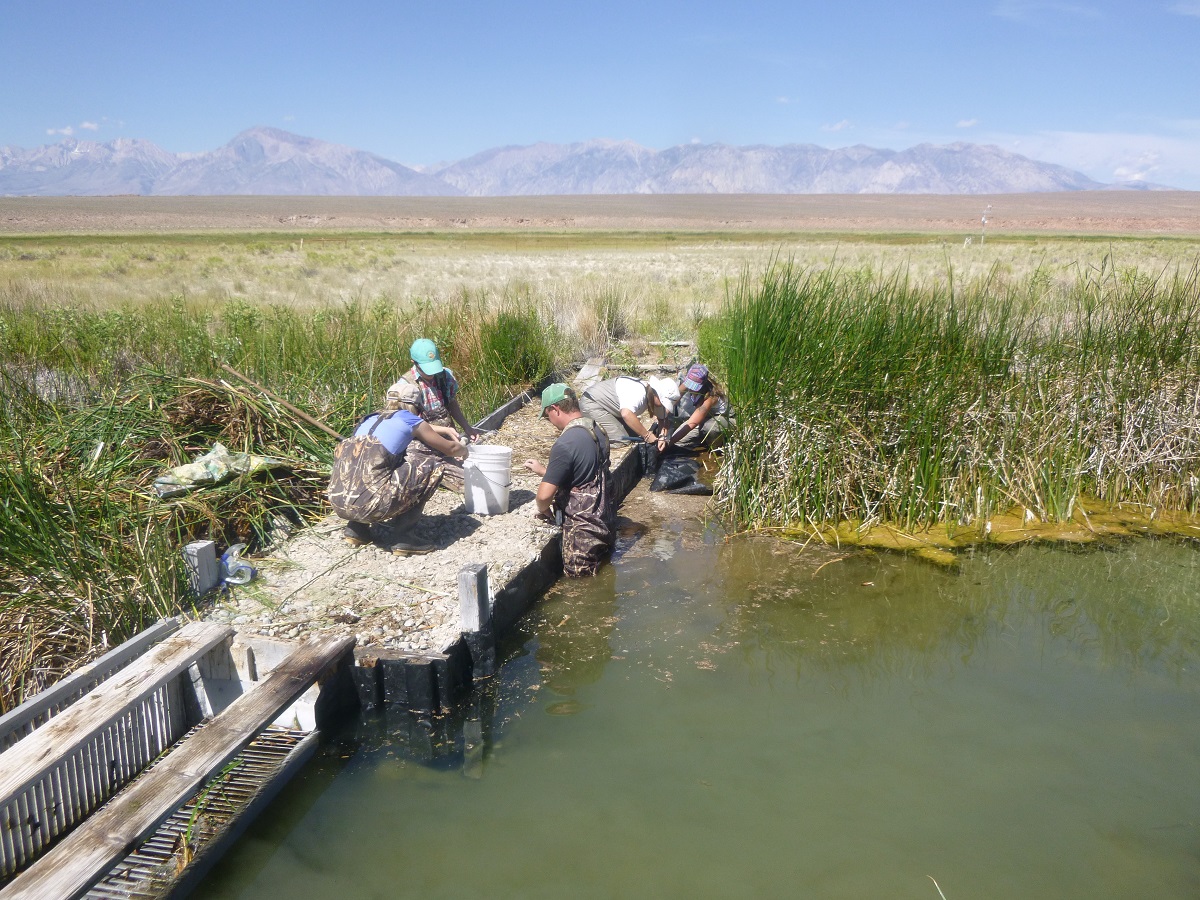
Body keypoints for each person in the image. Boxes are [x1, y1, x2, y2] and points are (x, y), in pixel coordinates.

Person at [328, 380, 468, 554]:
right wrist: (464, 450)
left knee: (363, 470)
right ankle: (404, 536)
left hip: (338, 501)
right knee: (431, 465)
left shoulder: (367, 420)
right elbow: (450, 448)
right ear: (416, 406)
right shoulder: (410, 419)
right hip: (372, 505)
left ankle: (357, 529)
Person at [523, 383, 616, 577]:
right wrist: (544, 471)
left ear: (555, 409)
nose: (550, 421)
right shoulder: (598, 430)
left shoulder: (565, 444)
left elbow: (543, 495)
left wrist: (543, 509)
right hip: (605, 525)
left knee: (582, 589)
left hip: (582, 537)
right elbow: (584, 471)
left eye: (547, 416)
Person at [400, 337, 481, 491]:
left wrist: (467, 427)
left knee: (469, 480)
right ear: (413, 362)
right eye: (426, 369)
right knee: (426, 477)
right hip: (422, 442)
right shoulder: (406, 386)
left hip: (447, 440)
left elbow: (451, 403)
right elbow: (411, 424)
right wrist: (444, 431)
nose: (431, 374)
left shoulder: (445, 376)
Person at [577, 375, 679, 449]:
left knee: (634, 436)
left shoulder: (654, 398)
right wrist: (647, 435)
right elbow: (626, 414)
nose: (663, 405)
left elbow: (662, 420)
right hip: (592, 403)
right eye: (663, 402)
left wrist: (661, 437)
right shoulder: (638, 392)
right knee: (622, 440)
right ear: (657, 394)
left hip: (611, 408)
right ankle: (587, 445)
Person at [667, 364, 732, 451]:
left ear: (702, 384)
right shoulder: (689, 382)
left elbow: (691, 423)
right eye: (689, 385)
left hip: (723, 420)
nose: (691, 388)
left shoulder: (711, 397)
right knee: (678, 443)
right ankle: (701, 439)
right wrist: (661, 417)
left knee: (710, 428)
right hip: (704, 418)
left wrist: (668, 443)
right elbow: (673, 399)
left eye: (694, 387)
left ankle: (715, 446)